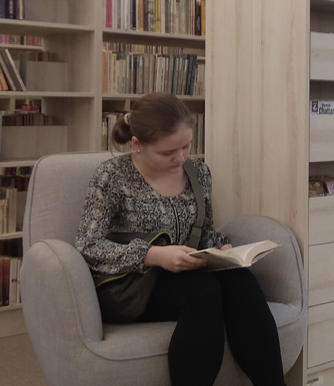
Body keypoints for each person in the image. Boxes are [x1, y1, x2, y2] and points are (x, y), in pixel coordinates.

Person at [75, 92, 286, 386]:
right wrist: (153, 256)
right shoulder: (112, 176)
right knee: (202, 291)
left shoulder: (198, 172)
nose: (181, 157)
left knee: (239, 280)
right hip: (131, 287)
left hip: (185, 273)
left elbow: (204, 229)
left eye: (186, 146)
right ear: (137, 145)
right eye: (168, 152)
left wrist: (220, 249)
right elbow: (87, 245)